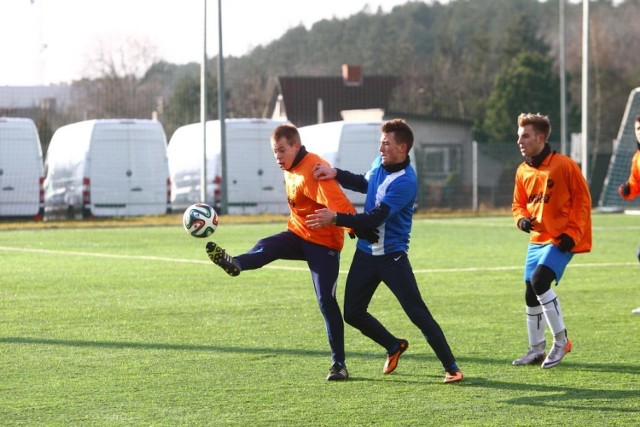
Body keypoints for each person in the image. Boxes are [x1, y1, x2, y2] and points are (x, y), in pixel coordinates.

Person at [307, 118, 464, 383]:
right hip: (366, 254)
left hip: (392, 257)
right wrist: (336, 173)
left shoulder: (406, 181)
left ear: (403, 148)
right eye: (380, 142)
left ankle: (452, 368)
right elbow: (364, 182)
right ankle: (394, 346)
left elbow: (373, 219)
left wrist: (336, 218)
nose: (381, 148)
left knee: (417, 313)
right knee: (353, 313)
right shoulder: (380, 163)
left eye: (386, 144)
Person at [205, 123, 358, 381]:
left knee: (326, 301)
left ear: (296, 146)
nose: (277, 157)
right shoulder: (291, 166)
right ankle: (236, 264)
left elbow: (336, 198)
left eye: (281, 151)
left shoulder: (314, 168)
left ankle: (339, 364)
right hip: (299, 233)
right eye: (274, 152)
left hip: (324, 243)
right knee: (268, 245)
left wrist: (353, 224)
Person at [511, 113, 592, 368]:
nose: (519, 141)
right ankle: (536, 349)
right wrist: (522, 219)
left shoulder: (564, 165)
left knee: (540, 281)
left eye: (525, 136)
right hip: (537, 239)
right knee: (530, 294)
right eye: (518, 136)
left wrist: (573, 234)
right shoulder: (523, 170)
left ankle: (561, 341)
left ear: (541, 137)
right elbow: (518, 204)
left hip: (561, 238)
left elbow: (582, 201)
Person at [617, 114, 640, 314]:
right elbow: (635, 184)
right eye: (638, 129)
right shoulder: (637, 158)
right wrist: (627, 190)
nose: (639, 132)